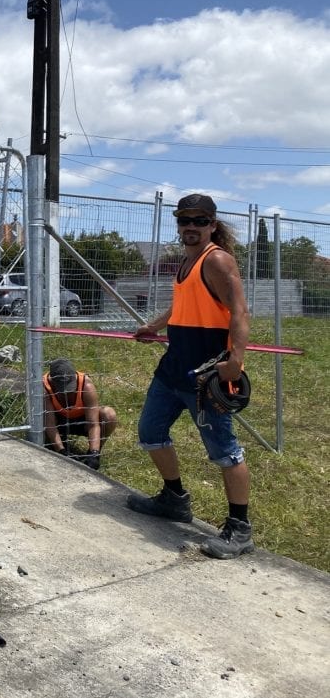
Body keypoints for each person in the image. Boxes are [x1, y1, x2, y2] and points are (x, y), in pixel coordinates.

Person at [129, 193, 253, 559]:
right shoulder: (188, 261)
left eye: (200, 221)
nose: (191, 227)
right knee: (151, 433)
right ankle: (174, 499)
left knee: (225, 453)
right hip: (173, 369)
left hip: (206, 375)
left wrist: (236, 359)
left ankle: (240, 529)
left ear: (213, 224)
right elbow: (185, 302)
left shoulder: (217, 260)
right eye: (185, 220)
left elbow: (241, 312)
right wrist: (156, 325)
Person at [42, 358, 118, 470]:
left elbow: (93, 423)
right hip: (59, 422)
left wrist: (94, 454)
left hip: (83, 422)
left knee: (109, 415)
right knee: (40, 420)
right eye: (62, 391)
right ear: (53, 382)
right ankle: (58, 444)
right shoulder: (44, 387)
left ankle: (93, 452)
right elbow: (50, 424)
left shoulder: (86, 385)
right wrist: (61, 451)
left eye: (70, 388)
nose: (67, 393)